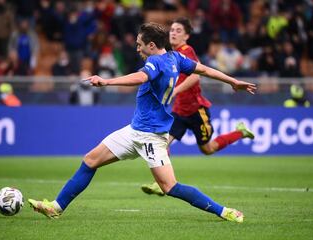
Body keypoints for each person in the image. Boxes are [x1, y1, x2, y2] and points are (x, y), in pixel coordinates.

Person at [28, 22, 256, 223]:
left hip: (151, 137)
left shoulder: (156, 62)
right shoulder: (176, 58)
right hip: (134, 130)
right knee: (90, 160)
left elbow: (140, 77)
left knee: (170, 187)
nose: (137, 48)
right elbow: (204, 69)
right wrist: (232, 81)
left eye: (140, 44)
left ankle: (223, 211)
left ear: (152, 46)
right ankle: (56, 208)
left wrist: (106, 82)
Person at [141, 17, 254, 196]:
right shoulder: (169, 54)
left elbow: (196, 76)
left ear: (186, 36)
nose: (174, 33)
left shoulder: (187, 50)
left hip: (196, 109)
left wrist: (175, 91)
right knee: (162, 144)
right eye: (172, 30)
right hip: (179, 110)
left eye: (178, 30)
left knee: (208, 149)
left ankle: (240, 132)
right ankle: (161, 182)